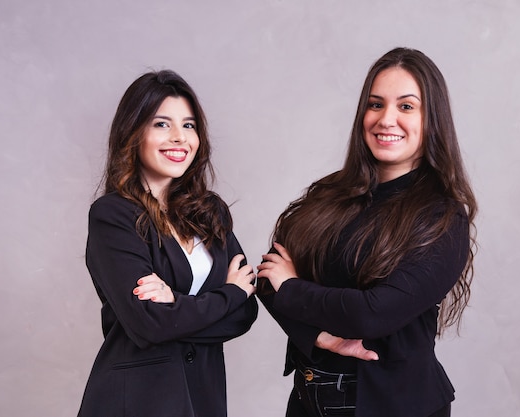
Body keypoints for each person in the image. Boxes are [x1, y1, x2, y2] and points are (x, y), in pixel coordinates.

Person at [257, 47, 477, 417]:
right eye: (375, 104)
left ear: (432, 119)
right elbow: (268, 278)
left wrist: (293, 287)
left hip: (395, 406)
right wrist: (320, 336)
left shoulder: (442, 218)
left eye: (406, 106)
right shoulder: (328, 195)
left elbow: (372, 315)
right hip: (310, 401)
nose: (385, 119)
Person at [78, 70, 258, 417]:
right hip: (137, 401)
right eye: (162, 124)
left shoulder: (211, 212)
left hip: (203, 397)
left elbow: (246, 314)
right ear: (134, 133)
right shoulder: (112, 216)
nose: (180, 138)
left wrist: (175, 303)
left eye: (189, 126)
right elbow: (148, 323)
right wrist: (230, 295)